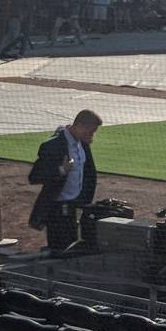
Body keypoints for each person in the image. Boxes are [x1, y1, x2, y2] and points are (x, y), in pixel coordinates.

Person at [31, 109, 101, 256]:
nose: (92, 136)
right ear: (80, 126)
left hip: (74, 207)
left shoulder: (82, 144)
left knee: (72, 249)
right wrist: (61, 170)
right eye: (90, 131)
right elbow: (34, 176)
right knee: (59, 251)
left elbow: (89, 173)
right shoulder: (53, 145)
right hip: (57, 210)